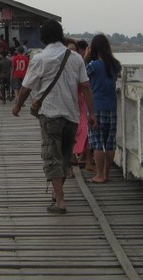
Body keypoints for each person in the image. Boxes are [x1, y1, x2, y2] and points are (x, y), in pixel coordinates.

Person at [11, 20, 95, 214]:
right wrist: (93, 113)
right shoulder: (75, 58)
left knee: (51, 156)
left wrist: (17, 106)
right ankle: (58, 194)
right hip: (72, 115)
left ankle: (60, 200)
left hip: (50, 114)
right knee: (65, 157)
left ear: (43, 38)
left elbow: (25, 88)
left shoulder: (40, 58)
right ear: (61, 35)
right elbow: (85, 87)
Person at [84, 34, 122, 183]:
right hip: (111, 107)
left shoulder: (93, 65)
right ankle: (107, 174)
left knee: (98, 143)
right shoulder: (115, 65)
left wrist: (86, 57)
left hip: (96, 107)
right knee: (110, 142)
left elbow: (81, 74)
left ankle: (99, 175)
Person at [69, 39, 90, 171]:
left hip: (80, 103)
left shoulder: (79, 63)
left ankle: (84, 158)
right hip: (68, 103)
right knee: (67, 132)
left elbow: (84, 85)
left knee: (85, 129)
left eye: (75, 51)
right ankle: (69, 166)